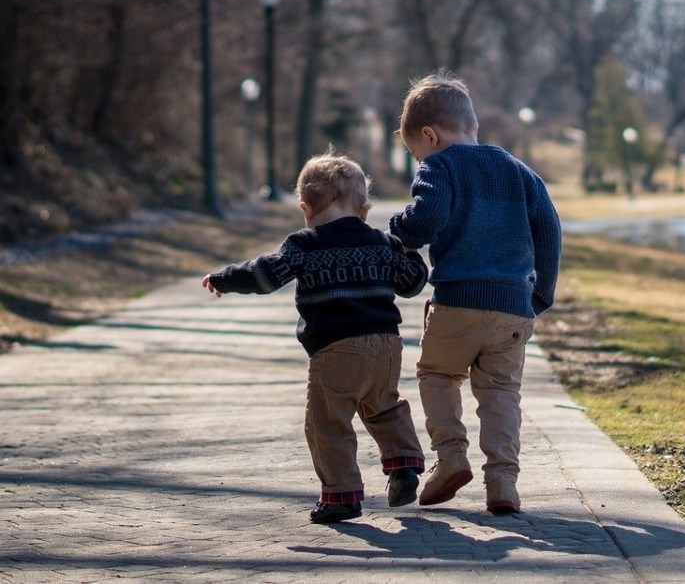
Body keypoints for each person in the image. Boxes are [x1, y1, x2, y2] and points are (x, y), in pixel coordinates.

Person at [201, 152, 430, 524]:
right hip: (386, 346)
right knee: (384, 406)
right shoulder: (381, 242)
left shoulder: (304, 245)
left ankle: (341, 495)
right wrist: (410, 251)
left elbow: (265, 275)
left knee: (328, 422)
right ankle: (404, 465)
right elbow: (412, 283)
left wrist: (227, 278)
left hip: (336, 349)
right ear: (364, 210)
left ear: (305, 208)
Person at [389, 70, 561, 514]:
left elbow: (424, 221)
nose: (417, 159)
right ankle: (502, 481)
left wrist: (398, 228)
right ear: (471, 125)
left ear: (430, 135)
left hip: (457, 302)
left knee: (437, 375)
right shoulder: (518, 171)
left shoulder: (439, 166)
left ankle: (450, 458)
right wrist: (541, 293)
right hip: (512, 309)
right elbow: (550, 230)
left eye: (414, 152)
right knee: (502, 392)